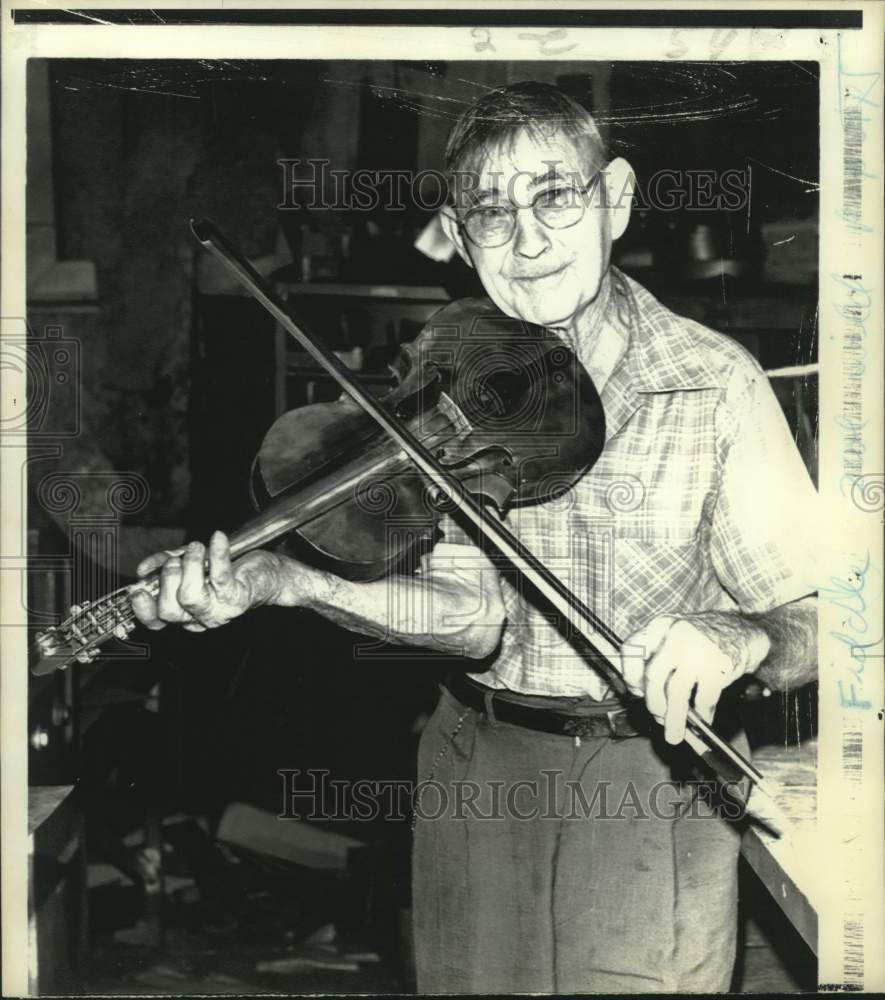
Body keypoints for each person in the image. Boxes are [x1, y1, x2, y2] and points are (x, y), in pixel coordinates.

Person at [132, 82, 818, 993]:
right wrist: (286, 584)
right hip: (476, 762)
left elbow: (821, 623)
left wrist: (741, 635)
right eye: (491, 213)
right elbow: (470, 619)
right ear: (458, 237)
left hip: (650, 779)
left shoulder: (712, 382)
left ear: (613, 197)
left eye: (555, 196)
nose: (527, 240)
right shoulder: (449, 374)